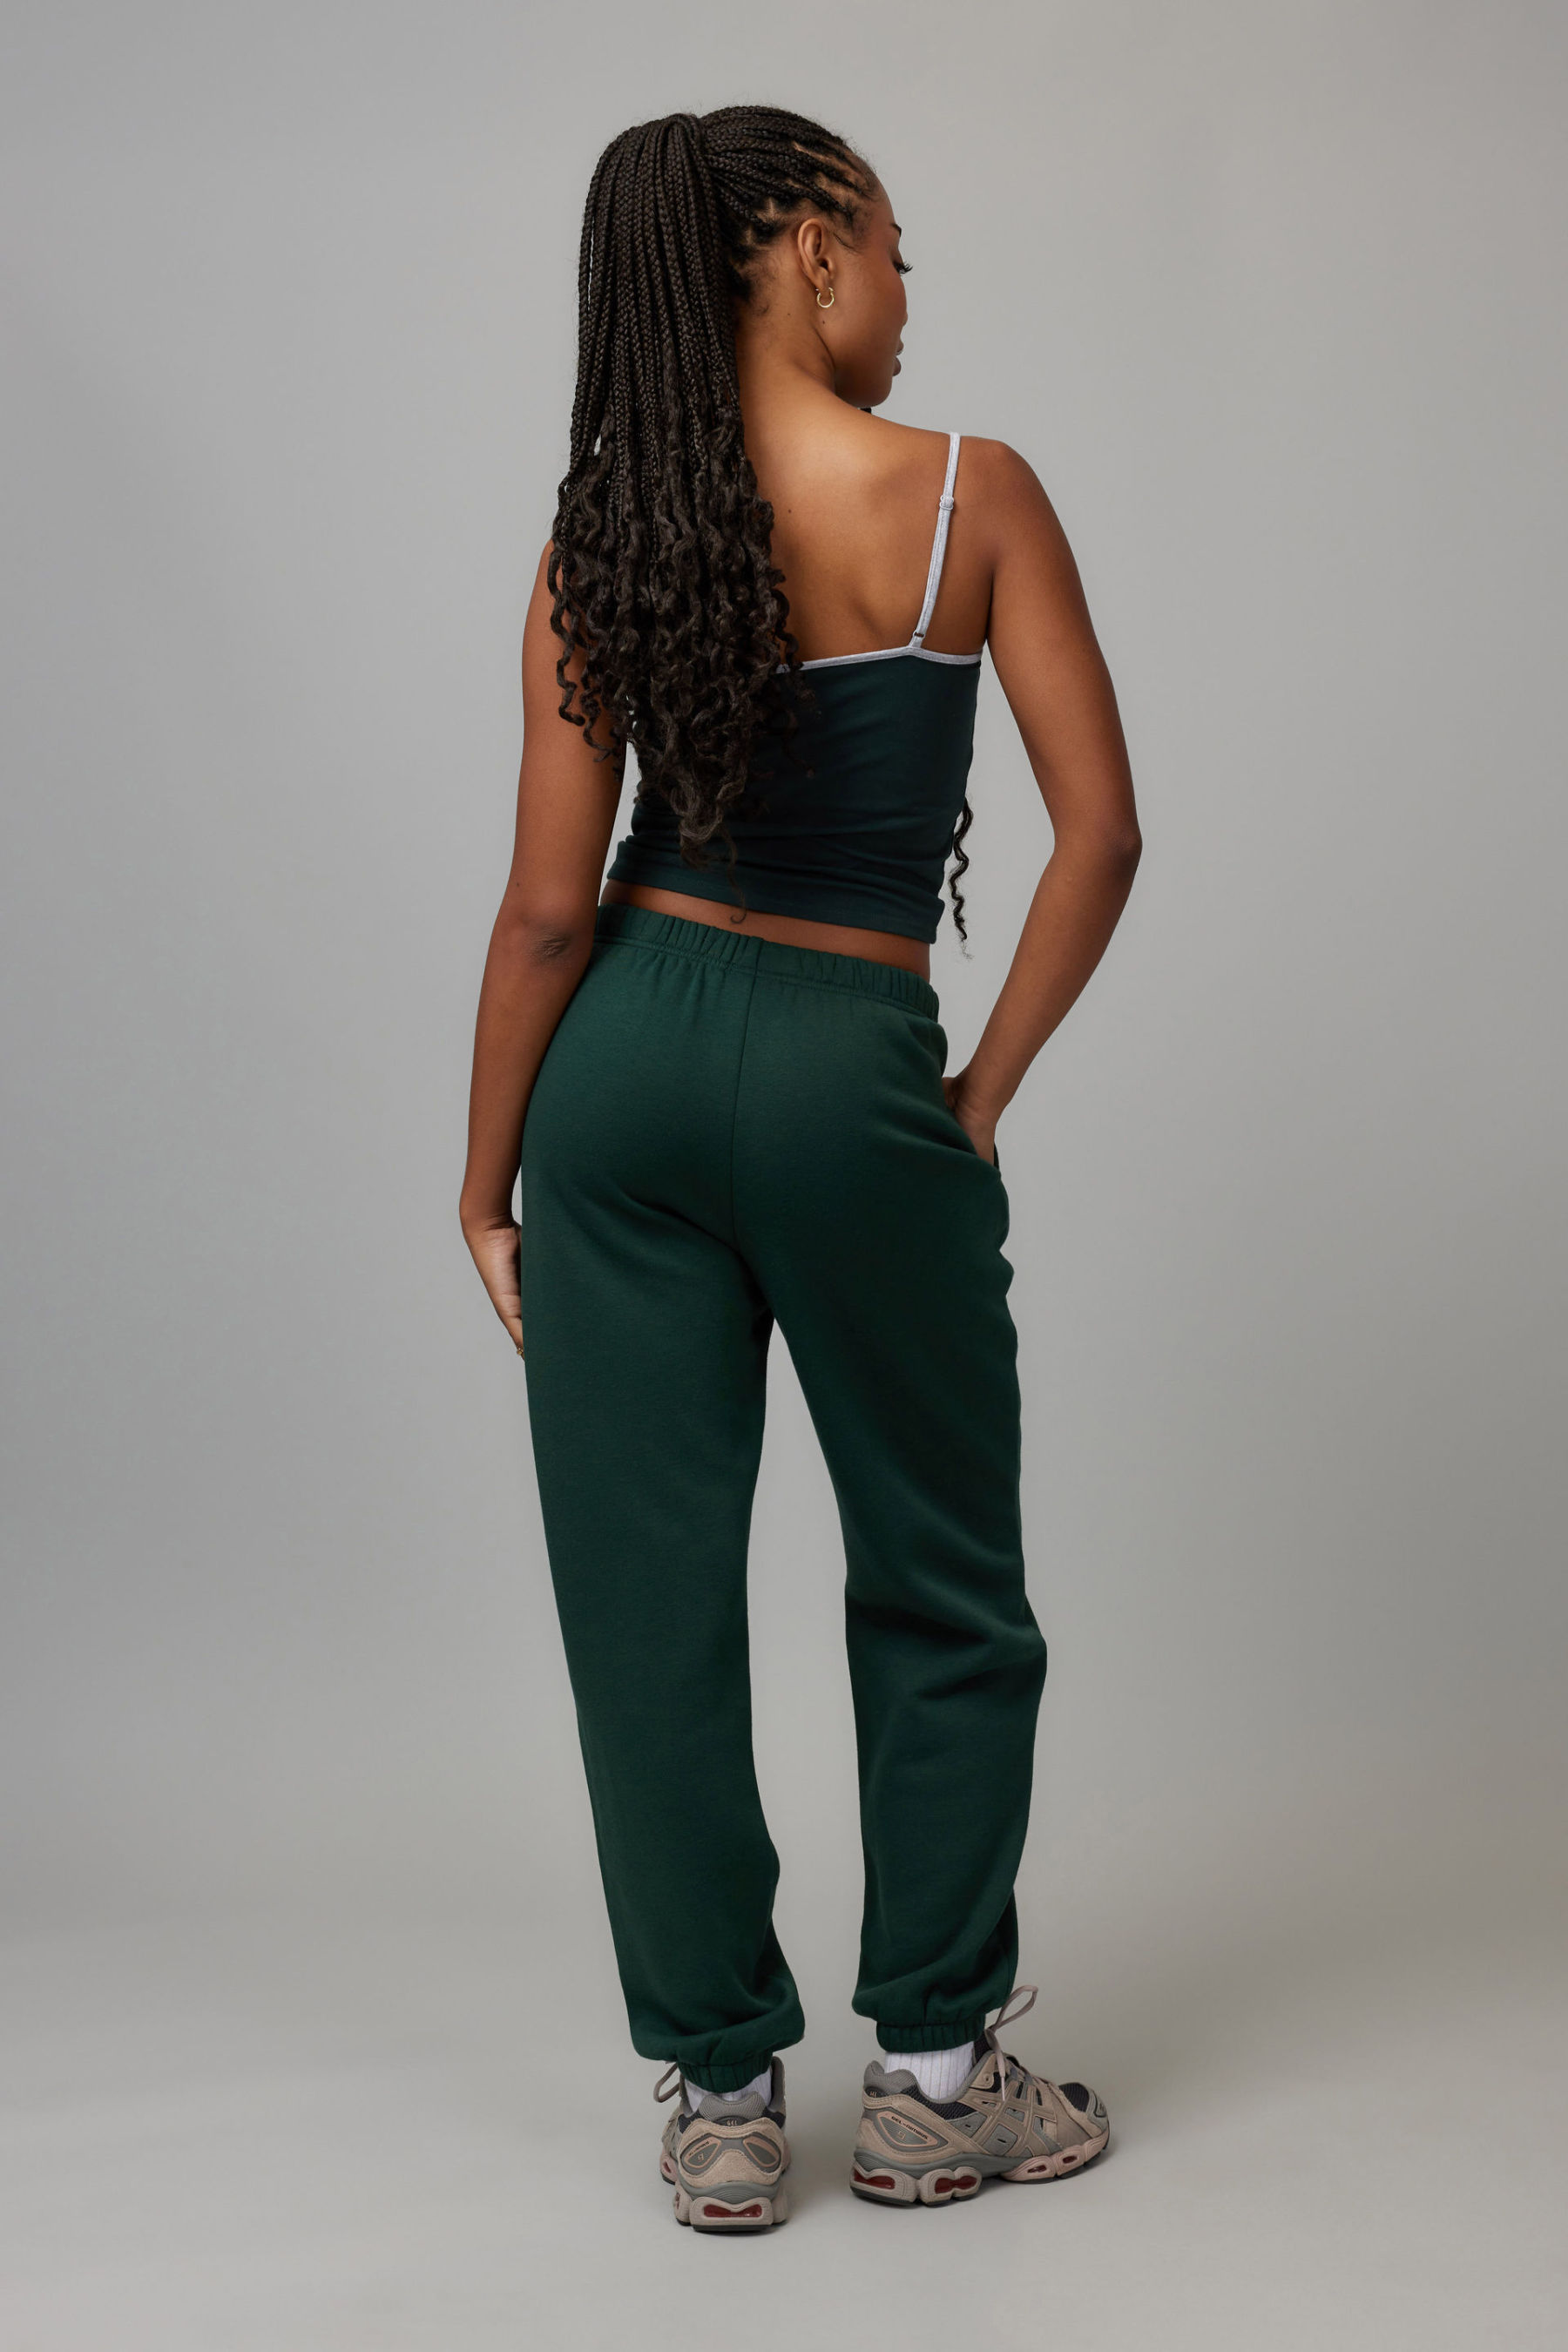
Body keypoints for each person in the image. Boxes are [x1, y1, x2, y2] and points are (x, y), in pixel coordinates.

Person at [461, 105, 1141, 2233]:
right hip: (853, 1058)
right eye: (897, 249)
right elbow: (1103, 836)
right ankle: (934, 2080)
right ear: (810, 246)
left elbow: (547, 911)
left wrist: (482, 1185)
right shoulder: (967, 496)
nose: (909, 296)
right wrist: (975, 1094)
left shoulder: (605, 536)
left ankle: (724, 2101)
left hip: (622, 1073)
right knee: (939, 1566)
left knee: (643, 1601)